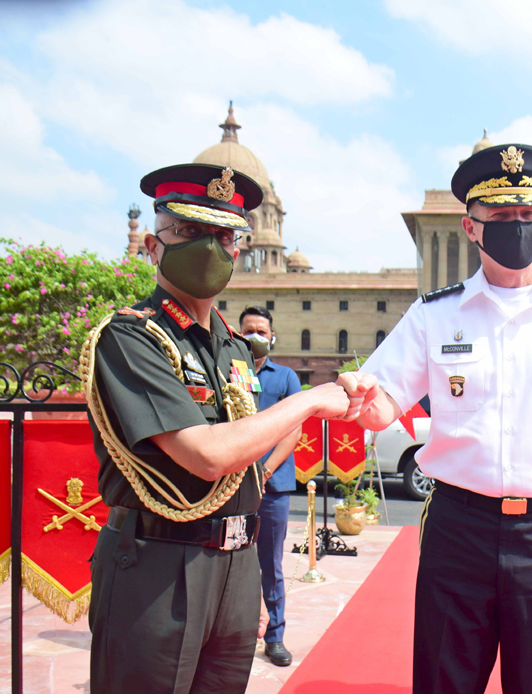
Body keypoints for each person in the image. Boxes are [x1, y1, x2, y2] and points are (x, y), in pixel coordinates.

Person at [337, 144, 532, 694]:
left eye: (528, 216)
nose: (518, 228)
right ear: (471, 227)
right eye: (501, 218)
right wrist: (366, 403)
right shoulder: (436, 315)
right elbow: (386, 398)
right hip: (459, 526)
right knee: (443, 682)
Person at [85, 163, 349, 694]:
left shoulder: (231, 345)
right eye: (188, 232)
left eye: (223, 235)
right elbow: (205, 455)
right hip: (157, 563)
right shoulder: (132, 338)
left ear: (239, 249)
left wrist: (240, 578)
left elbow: (246, 451)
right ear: (153, 245)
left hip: (234, 561)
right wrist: (309, 400)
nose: (208, 248)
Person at [239, 306, 301, 667]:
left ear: (272, 336)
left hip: (272, 486)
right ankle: (237, 633)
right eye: (249, 330)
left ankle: (274, 636)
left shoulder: (286, 377)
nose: (255, 336)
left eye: (261, 331)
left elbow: (294, 429)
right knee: (230, 562)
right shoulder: (229, 373)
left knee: (270, 564)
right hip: (230, 486)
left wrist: (264, 469)